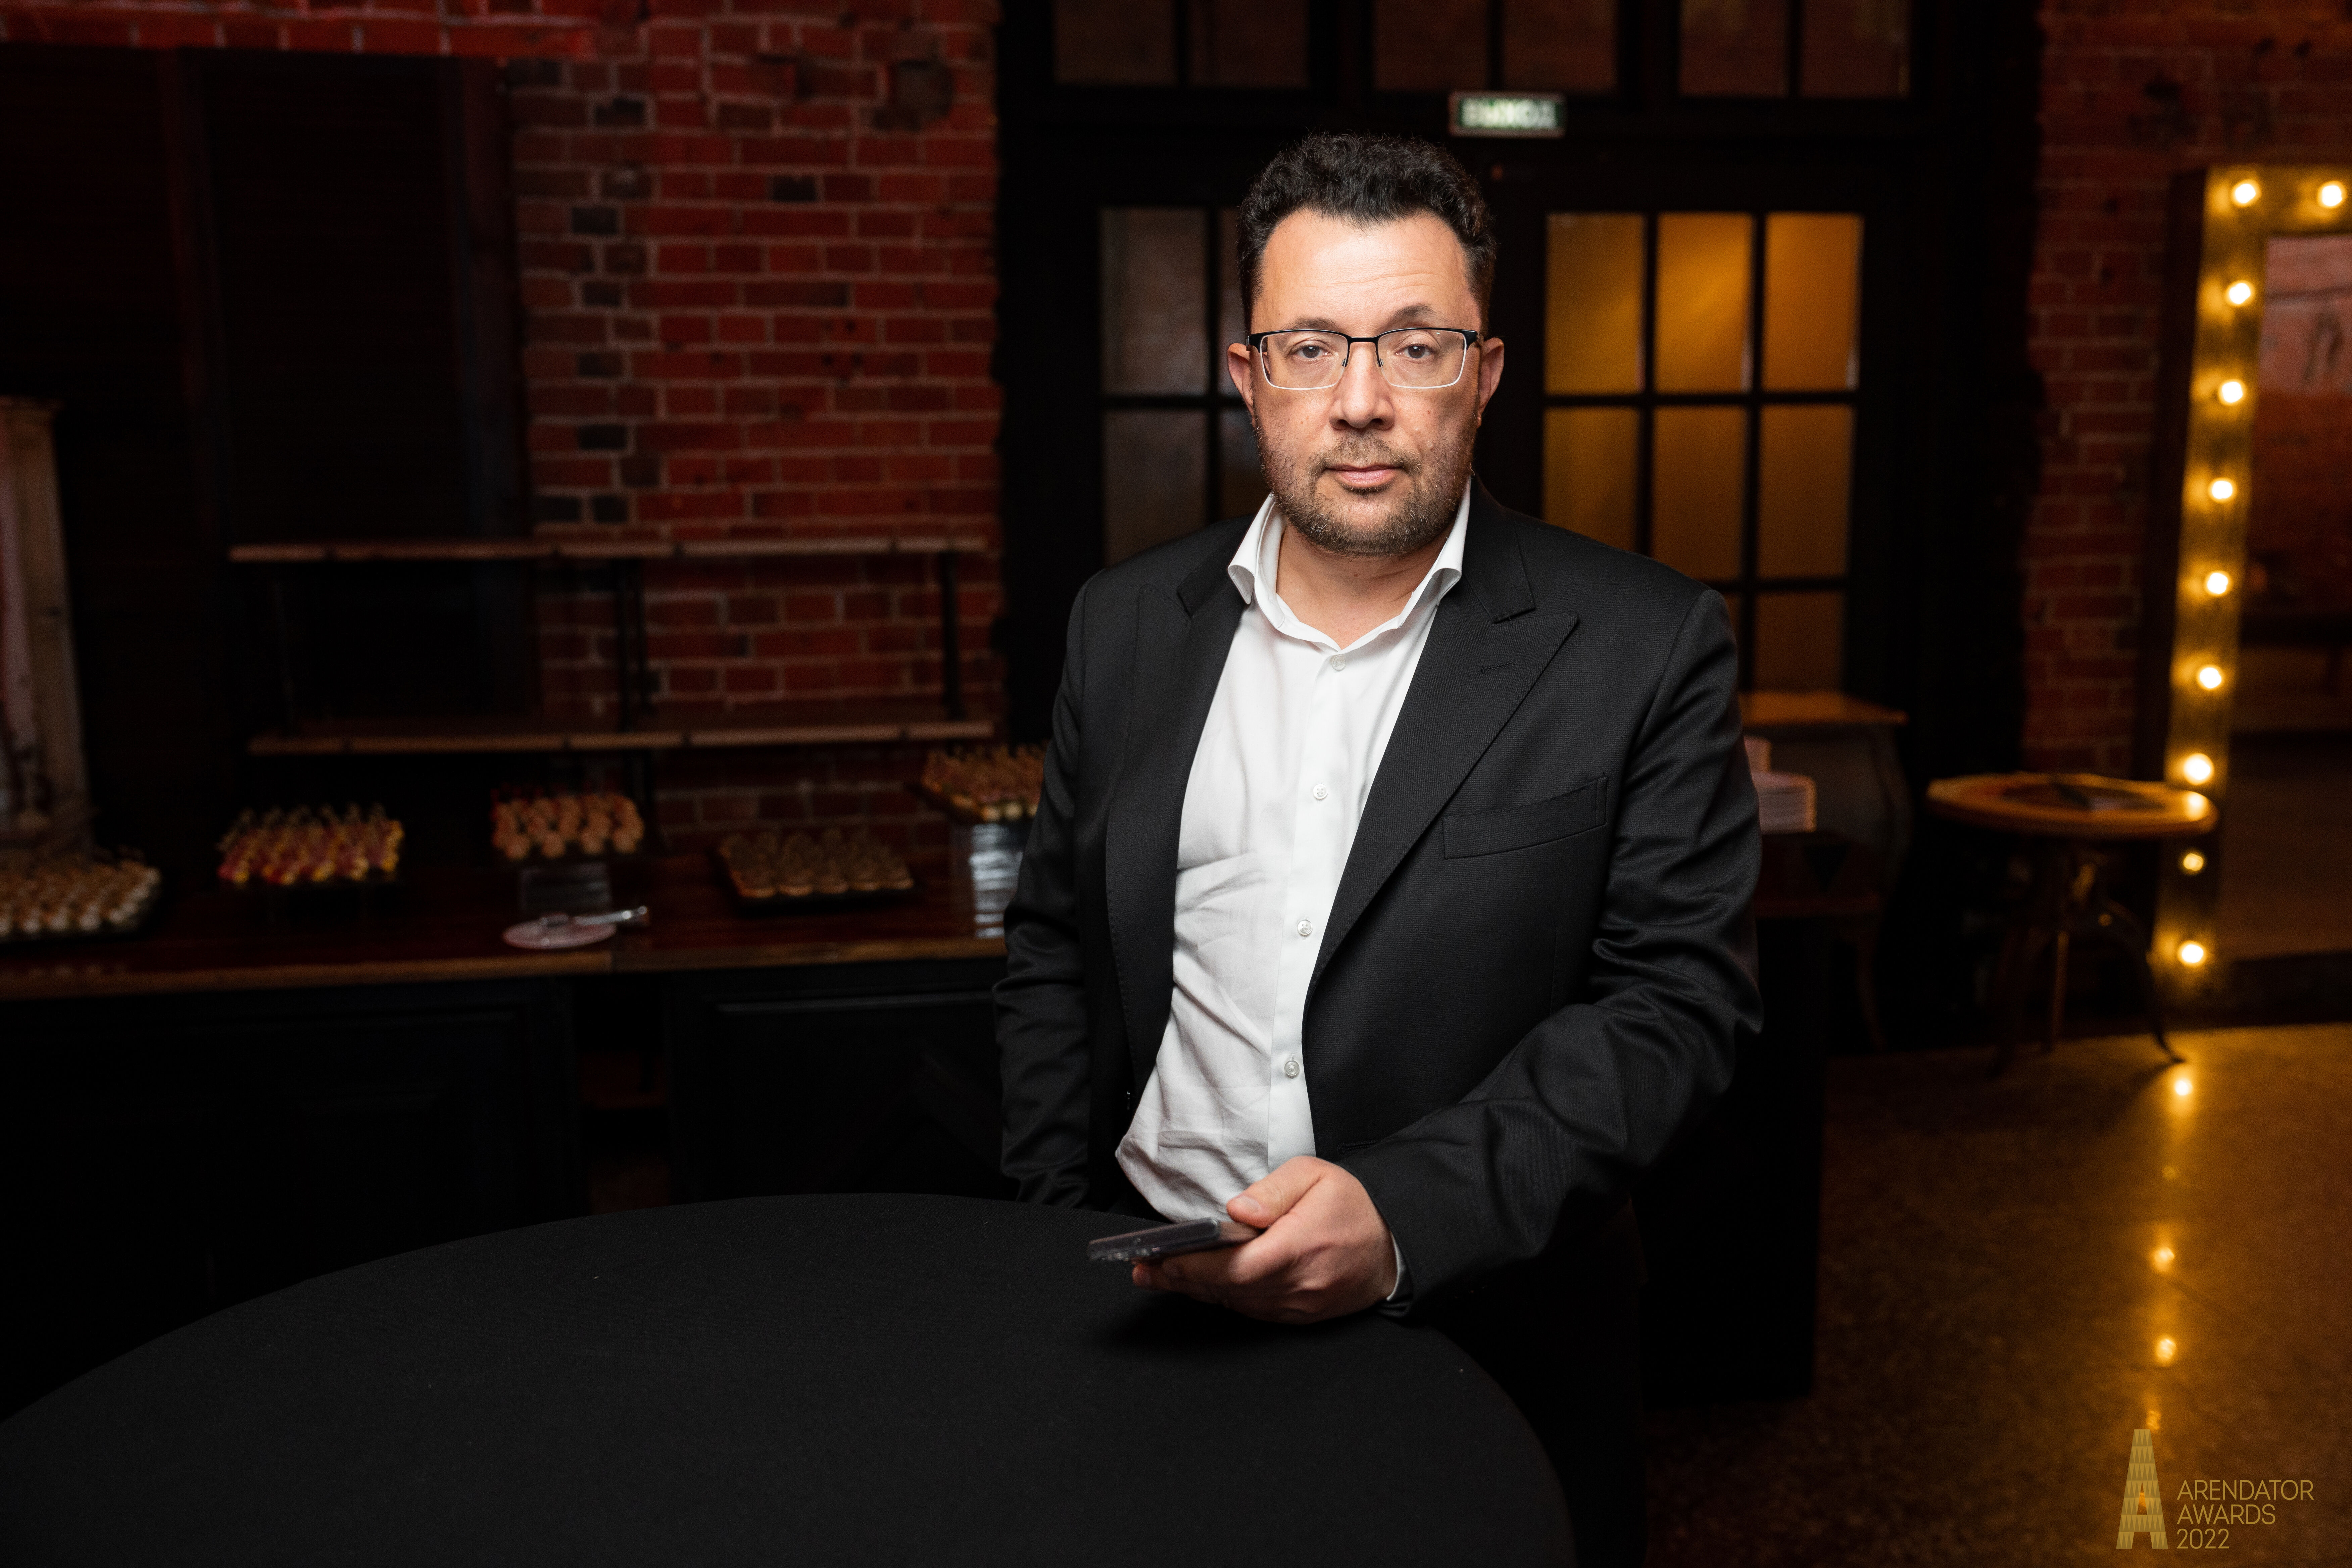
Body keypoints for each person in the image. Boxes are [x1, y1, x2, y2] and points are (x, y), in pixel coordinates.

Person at [996, 132, 1761, 1568]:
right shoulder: (1123, 624)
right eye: (1310, 349)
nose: (1360, 402)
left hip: (1478, 1329)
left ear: (1486, 371)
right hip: (1142, 1314)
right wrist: (1053, 1230)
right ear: (1248, 375)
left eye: (1415, 347)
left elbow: (1676, 1009)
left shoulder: (1644, 644)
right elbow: (1053, 948)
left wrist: (1404, 1212)